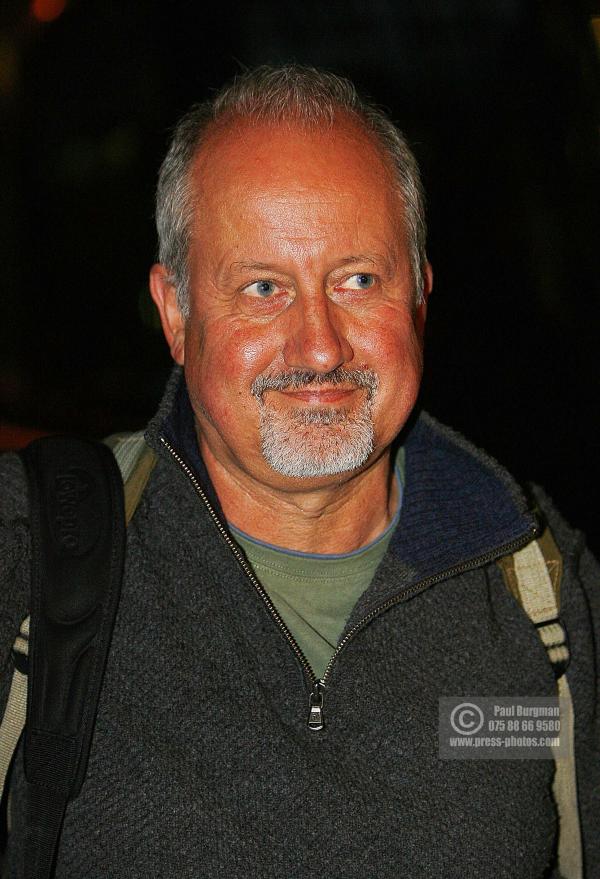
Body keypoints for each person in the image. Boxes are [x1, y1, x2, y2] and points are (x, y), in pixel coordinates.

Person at [1, 64, 598, 878]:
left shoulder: (543, 595)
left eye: (358, 279)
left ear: (419, 293)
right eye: (263, 287)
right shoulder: (28, 558)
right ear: (176, 312)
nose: (320, 346)